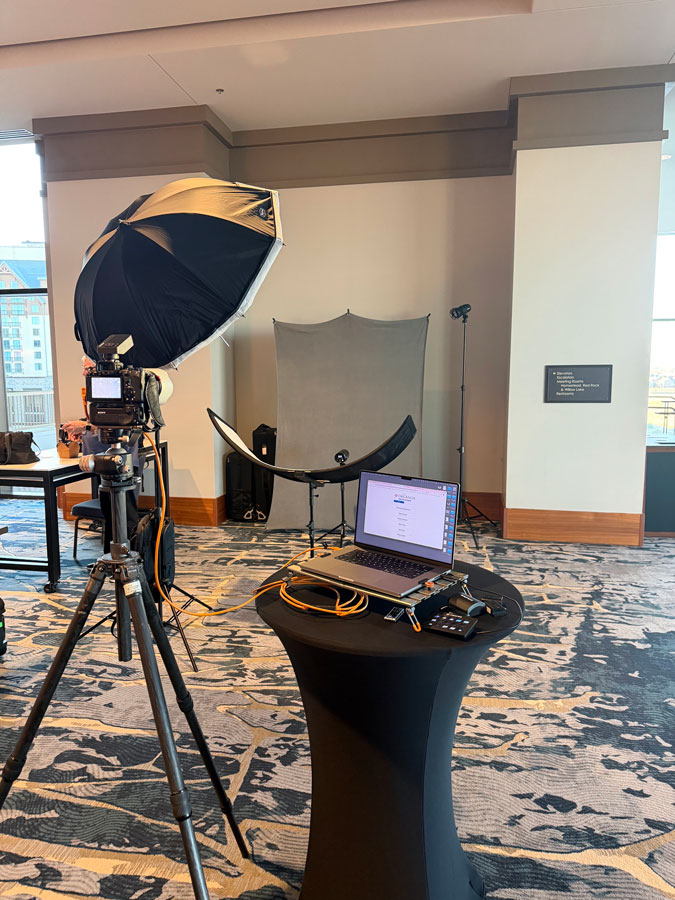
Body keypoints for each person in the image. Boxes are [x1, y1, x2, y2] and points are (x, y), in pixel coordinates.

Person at [62, 357, 140, 552]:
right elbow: (101, 421)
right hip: (102, 463)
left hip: (121, 463)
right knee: (110, 516)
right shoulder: (97, 393)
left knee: (124, 517)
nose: (83, 373)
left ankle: (129, 558)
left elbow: (121, 422)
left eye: (87, 368)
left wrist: (86, 426)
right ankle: (110, 559)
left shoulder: (122, 390)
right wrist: (85, 431)